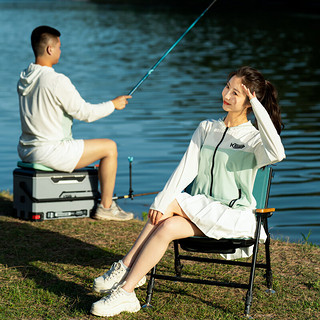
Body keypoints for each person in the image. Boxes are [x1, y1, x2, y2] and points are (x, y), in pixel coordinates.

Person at [89, 66, 286, 317]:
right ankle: (127, 292)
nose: (226, 94)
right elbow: (185, 170)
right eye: (227, 86)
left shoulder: (255, 140)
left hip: (233, 215)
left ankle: (125, 266)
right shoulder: (206, 128)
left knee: (169, 204)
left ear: (249, 102)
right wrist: (161, 202)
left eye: (236, 93)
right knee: (168, 225)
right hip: (200, 209)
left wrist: (258, 105)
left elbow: (278, 153)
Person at [17, 25, 133, 221]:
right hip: (49, 152)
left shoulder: (24, 77)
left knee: (90, 149)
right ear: (50, 49)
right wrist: (113, 104)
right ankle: (106, 207)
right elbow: (85, 113)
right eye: (59, 47)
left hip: (27, 150)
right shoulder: (56, 80)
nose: (61, 51)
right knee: (110, 148)